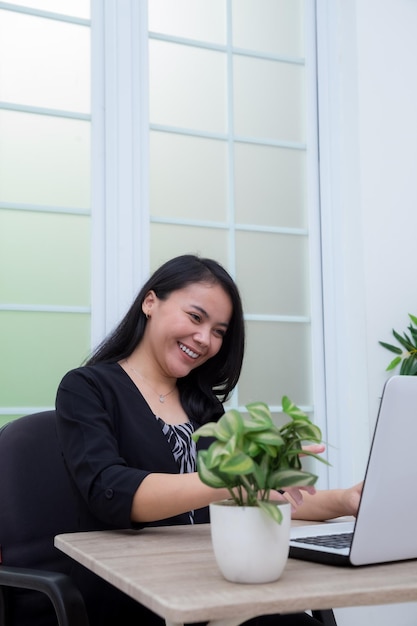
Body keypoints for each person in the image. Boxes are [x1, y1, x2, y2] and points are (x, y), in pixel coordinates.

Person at [55, 254, 362, 626]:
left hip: (211, 587)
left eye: (219, 331)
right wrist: (225, 479)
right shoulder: (87, 388)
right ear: (150, 303)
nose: (205, 340)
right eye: (196, 318)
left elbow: (256, 496)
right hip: (136, 597)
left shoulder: (204, 407)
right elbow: (111, 491)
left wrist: (346, 500)